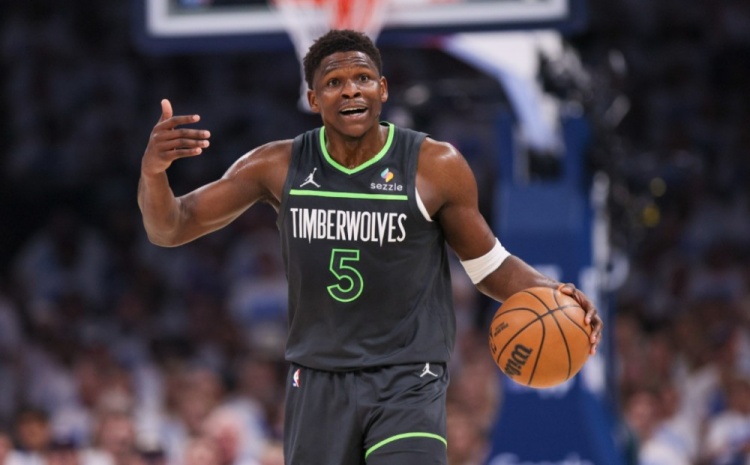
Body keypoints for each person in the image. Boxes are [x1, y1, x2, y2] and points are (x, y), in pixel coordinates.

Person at [138, 29, 603, 465]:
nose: (351, 91)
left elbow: (488, 265)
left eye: (362, 78)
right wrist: (153, 173)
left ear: (383, 89)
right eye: (334, 82)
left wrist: (554, 292)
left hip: (407, 377)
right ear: (312, 98)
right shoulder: (277, 165)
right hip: (318, 377)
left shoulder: (435, 165)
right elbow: (171, 227)